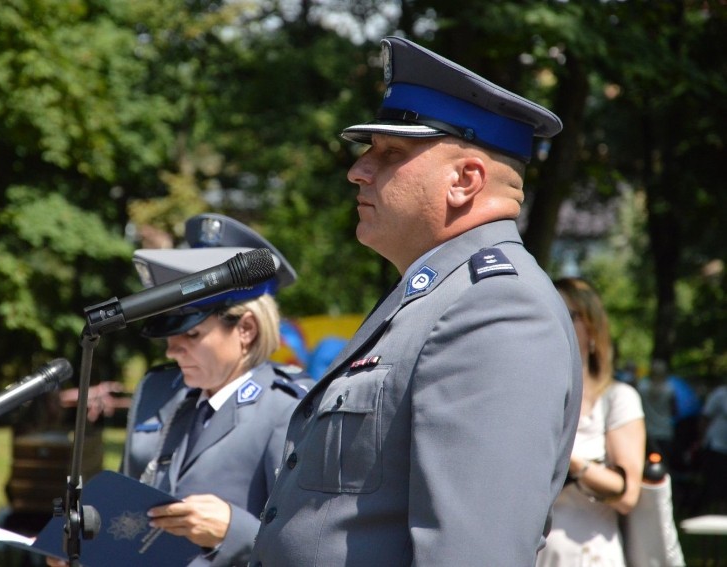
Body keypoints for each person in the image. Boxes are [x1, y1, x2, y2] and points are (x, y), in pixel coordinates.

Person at [248, 36, 582, 567]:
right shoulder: (436, 296)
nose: (358, 170)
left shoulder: (496, 310)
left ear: (465, 181)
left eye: (390, 154)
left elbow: (473, 555)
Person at [48, 213, 312, 567]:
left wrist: (234, 531)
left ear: (246, 329)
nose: (172, 351)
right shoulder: (159, 391)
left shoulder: (289, 406)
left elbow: (309, 544)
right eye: (170, 335)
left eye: (191, 334)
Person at [536, 277, 646, 566]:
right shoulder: (529, 396)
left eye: (566, 313)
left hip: (588, 554)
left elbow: (627, 496)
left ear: (592, 328)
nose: (553, 320)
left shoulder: (617, 399)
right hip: (531, 554)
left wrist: (569, 461)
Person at [637, 358, 678, 464]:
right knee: (664, 464)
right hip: (665, 431)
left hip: (646, 431)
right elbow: (675, 411)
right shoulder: (670, 388)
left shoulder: (642, 386)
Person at [698, 379, 727, 513]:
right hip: (716, 445)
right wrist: (701, 440)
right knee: (714, 484)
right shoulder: (720, 394)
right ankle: (709, 515)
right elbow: (705, 417)